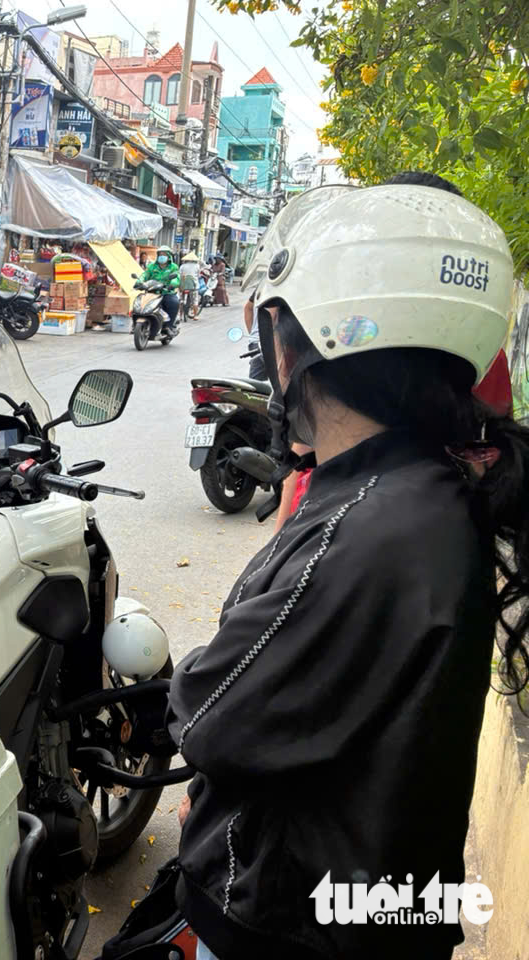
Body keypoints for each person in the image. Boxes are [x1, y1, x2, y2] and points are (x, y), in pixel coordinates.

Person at [167, 178, 528, 959]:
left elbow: (208, 715)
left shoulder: (364, 530)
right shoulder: (429, 484)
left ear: (292, 347)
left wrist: (186, 673)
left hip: (293, 927)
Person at [140, 244, 182, 331]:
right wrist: (139, 282)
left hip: (166, 292)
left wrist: (172, 284)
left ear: (169, 256)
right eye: (160, 254)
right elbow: (145, 275)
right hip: (153, 292)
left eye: (164, 255)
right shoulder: (152, 266)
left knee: (173, 303)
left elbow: (176, 277)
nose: (162, 256)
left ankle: (168, 327)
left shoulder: (173, 267)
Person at [179, 252, 201, 320]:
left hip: (183, 286)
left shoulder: (182, 266)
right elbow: (198, 275)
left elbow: (180, 275)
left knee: (181, 300)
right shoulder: (197, 266)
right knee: (195, 300)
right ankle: (195, 315)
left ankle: (180, 316)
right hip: (194, 286)